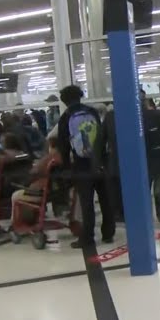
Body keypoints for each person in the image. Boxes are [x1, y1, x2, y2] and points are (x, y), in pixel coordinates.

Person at [56, 85, 115, 247]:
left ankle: (87, 238)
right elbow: (101, 137)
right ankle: (108, 233)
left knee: (87, 203)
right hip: (99, 162)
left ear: (64, 100)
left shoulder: (66, 117)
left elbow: (63, 146)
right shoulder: (92, 112)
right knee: (105, 199)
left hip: (82, 165)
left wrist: (66, 168)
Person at [12, 136, 63, 221]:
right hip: (57, 191)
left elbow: (34, 172)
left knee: (15, 195)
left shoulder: (49, 158)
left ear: (51, 145)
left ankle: (19, 223)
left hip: (42, 191)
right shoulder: (62, 158)